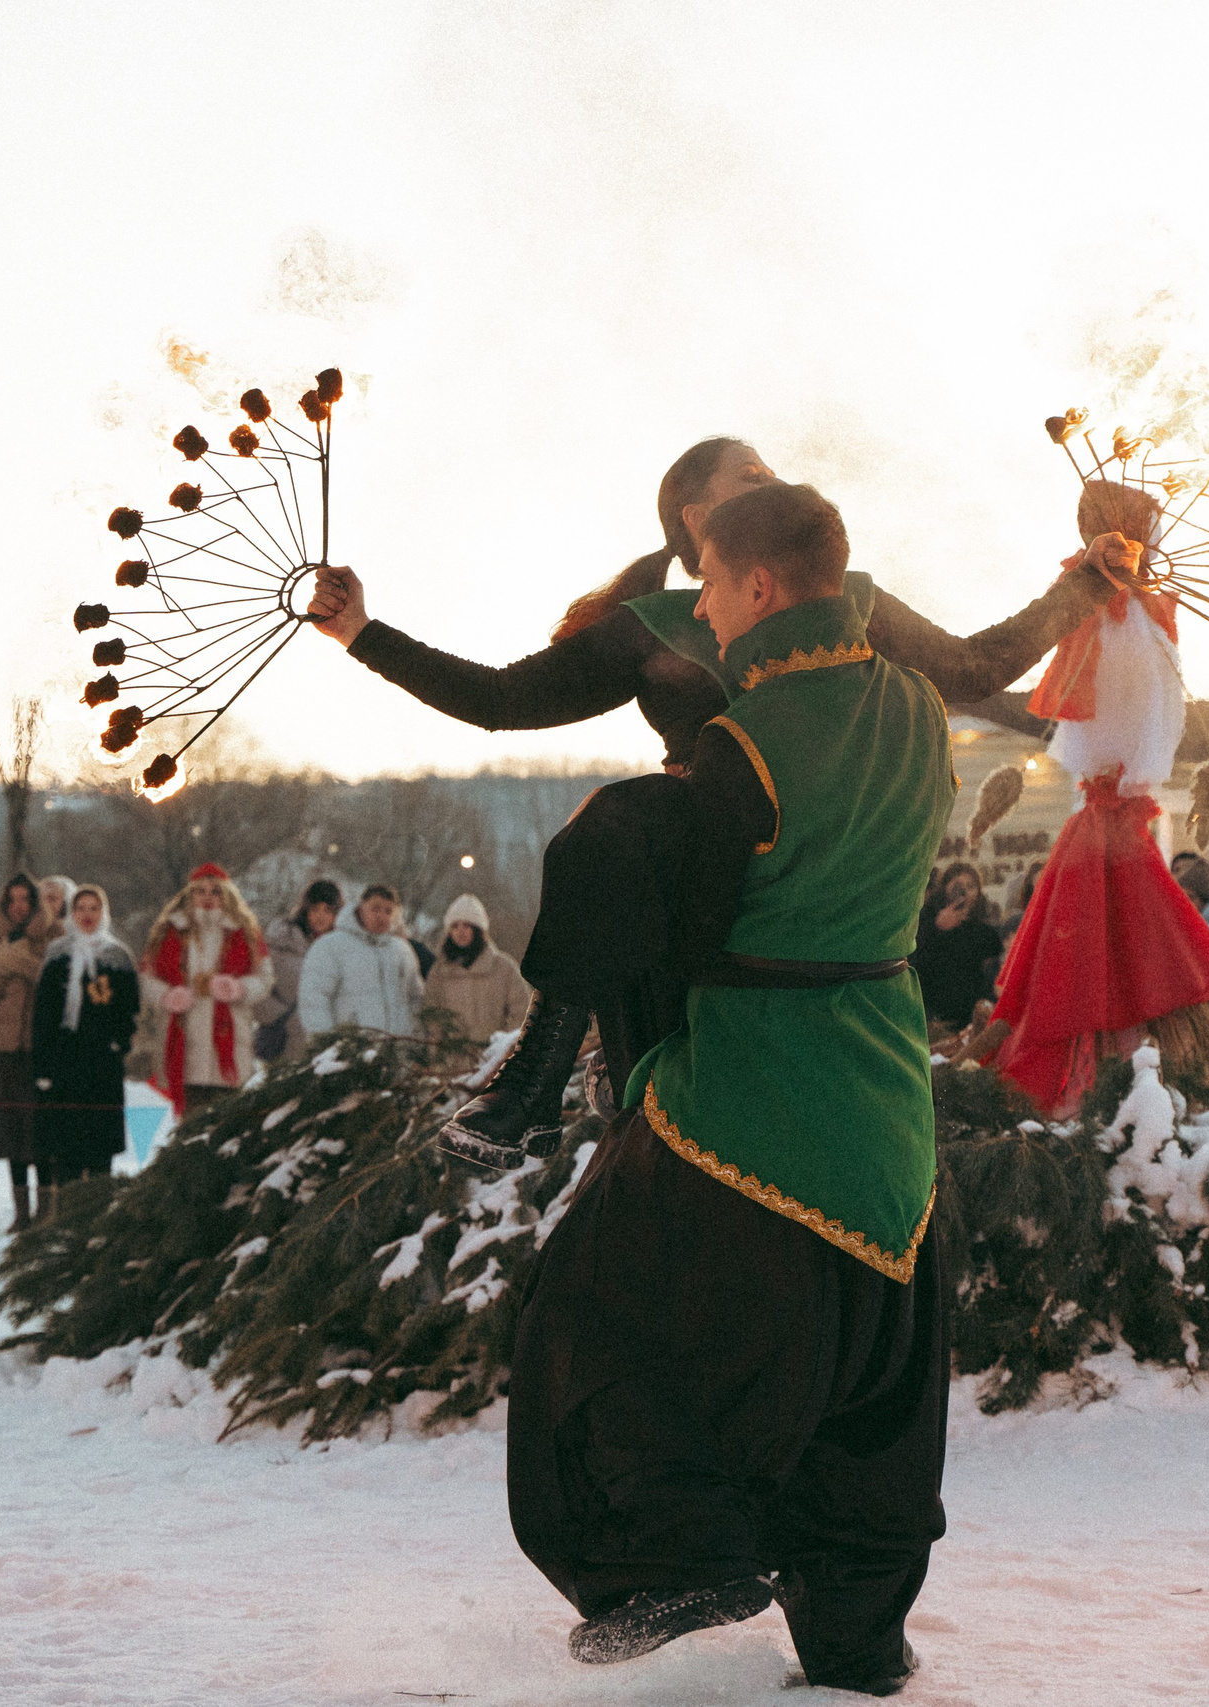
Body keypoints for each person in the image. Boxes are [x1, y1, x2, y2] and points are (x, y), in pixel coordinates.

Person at [495, 481, 949, 1694]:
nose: (699, 607)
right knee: (869, 1398)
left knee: (592, 1316)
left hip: (750, 1098)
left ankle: (674, 1562)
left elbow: (682, 935)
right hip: (893, 1111)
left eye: (707, 582)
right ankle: (857, 1639)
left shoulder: (740, 748)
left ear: (754, 587)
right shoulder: (914, 705)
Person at [306, 437, 1122, 775]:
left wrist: (1086, 582)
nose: (776, 487)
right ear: (697, 519)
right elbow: (501, 700)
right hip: (706, 853)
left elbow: (974, 668)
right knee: (613, 827)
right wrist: (362, 634)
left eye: (773, 478)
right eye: (751, 479)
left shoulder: (847, 601)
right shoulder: (648, 628)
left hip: (834, 845)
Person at [140, 861, 275, 1114]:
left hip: (230, 1046)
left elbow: (265, 978)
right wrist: (167, 996)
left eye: (215, 891)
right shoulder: (169, 930)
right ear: (190, 894)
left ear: (226, 894)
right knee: (190, 1125)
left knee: (227, 1126)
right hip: (184, 1042)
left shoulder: (245, 932)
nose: (208, 898)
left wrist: (238, 988)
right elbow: (146, 979)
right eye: (201, 891)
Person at [33, 883, 140, 1200]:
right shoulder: (57, 954)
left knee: (99, 1144)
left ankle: (96, 1214)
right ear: (71, 913)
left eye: (94, 908)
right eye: (81, 908)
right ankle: (64, 1215)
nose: (87, 915)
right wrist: (43, 1064)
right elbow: (44, 1013)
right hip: (64, 1059)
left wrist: (120, 1043)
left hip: (102, 1062)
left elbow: (130, 1010)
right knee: (65, 1145)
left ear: (103, 912)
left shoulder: (117, 956)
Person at [0, 872, 58, 1232]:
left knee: (40, 1126)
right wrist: (8, 959)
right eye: (13, 900)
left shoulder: (54, 935)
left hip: (39, 1043)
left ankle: (46, 1209)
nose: (19, 906)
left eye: (26, 899)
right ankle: (20, 1210)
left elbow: (51, 981)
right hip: (1, 1045)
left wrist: (15, 959)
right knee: (10, 1129)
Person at [298, 884, 424, 1038]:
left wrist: (415, 1043)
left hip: (395, 1052)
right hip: (349, 1051)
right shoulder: (331, 946)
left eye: (388, 911)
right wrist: (325, 1044)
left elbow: (416, 1000)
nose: (381, 916)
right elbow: (313, 999)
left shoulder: (402, 951)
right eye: (375, 909)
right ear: (360, 908)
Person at [421, 893, 532, 1047]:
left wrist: (503, 1045)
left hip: (492, 1059)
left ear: (478, 929)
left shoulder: (503, 967)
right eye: (454, 926)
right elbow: (432, 1016)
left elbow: (523, 1011)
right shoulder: (439, 972)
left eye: (466, 925)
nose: (460, 931)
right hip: (451, 1063)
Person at [255, 880, 342, 1063]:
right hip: (284, 1039)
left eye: (328, 910)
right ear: (305, 909)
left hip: (327, 1045)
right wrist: (279, 1016)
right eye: (315, 909)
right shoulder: (281, 941)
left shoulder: (343, 950)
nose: (320, 916)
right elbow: (259, 985)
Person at [911, 863, 1004, 1030]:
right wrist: (938, 929)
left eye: (970, 886)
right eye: (957, 886)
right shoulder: (926, 918)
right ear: (945, 887)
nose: (964, 893)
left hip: (969, 1018)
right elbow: (916, 963)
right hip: (933, 1016)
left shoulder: (985, 931)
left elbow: (990, 976)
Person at [1172, 854, 1209, 937]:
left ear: (1203, 898)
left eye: (1190, 898)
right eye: (1180, 897)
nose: (1185, 903)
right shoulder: (1192, 921)